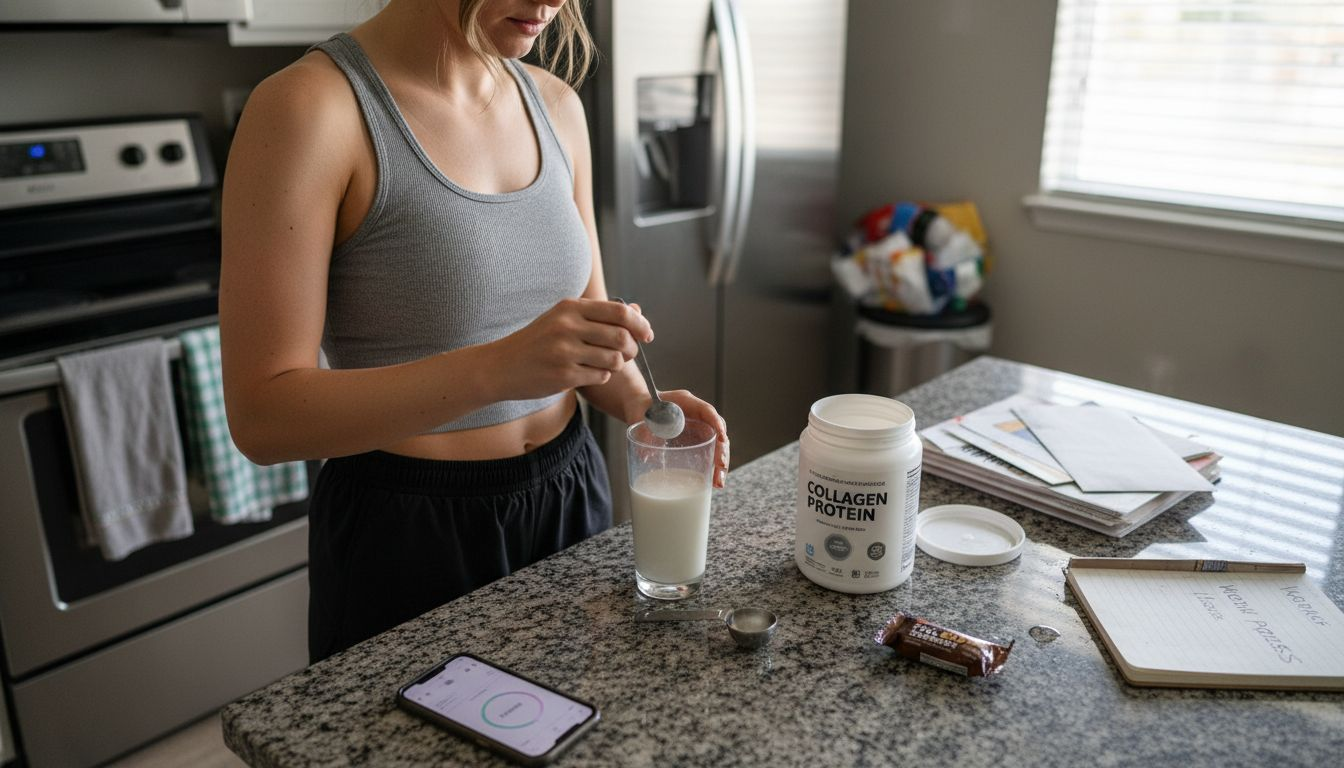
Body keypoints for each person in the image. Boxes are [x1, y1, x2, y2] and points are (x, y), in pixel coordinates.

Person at [219, 0, 729, 663]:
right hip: (408, 531)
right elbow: (262, 417)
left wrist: (642, 404)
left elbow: (589, 331)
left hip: (571, 493)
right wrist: (497, 369)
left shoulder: (556, 104)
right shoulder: (308, 109)